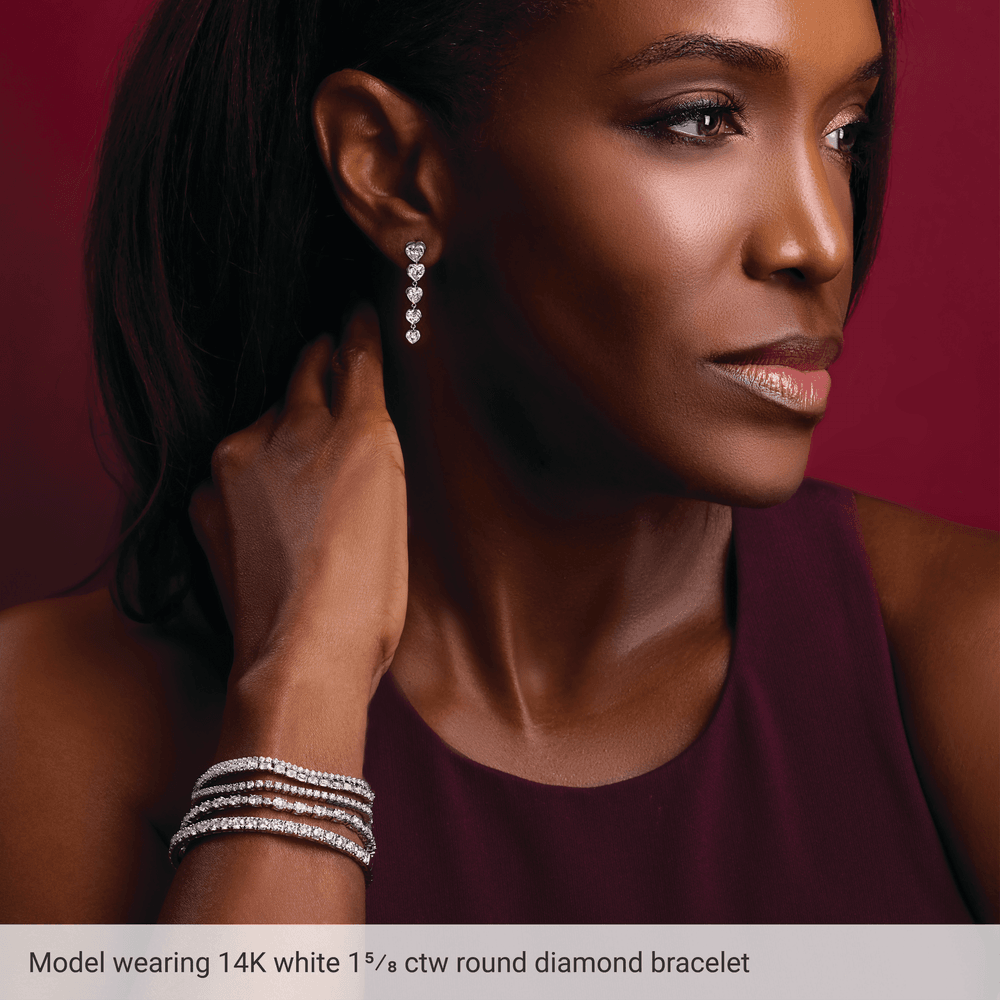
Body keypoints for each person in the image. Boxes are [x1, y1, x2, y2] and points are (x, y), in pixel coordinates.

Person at [0, 0, 996, 925]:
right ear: (392, 168)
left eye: (846, 131)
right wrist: (299, 696)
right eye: (700, 120)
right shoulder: (51, 729)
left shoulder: (961, 656)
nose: (819, 240)